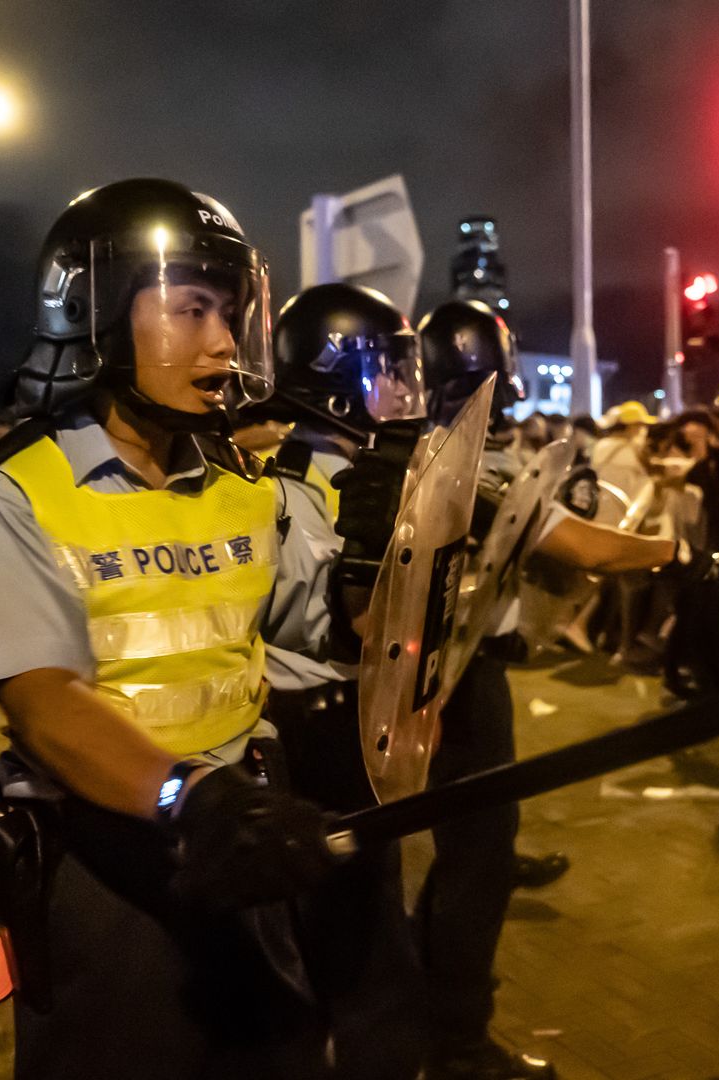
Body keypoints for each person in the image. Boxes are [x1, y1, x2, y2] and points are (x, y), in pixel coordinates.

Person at [0, 178, 340, 1077]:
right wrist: (188, 797)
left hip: (242, 836)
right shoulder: (7, 497)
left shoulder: (251, 483)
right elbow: (45, 705)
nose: (223, 341)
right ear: (95, 314)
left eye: (231, 312)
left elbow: (301, 650)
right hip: (103, 863)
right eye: (192, 307)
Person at [412, 298, 685, 1080]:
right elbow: (583, 546)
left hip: (435, 673)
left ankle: (430, 987)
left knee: (462, 844)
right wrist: (676, 548)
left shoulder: (421, 450)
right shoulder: (467, 463)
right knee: (478, 861)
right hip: (464, 681)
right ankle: (458, 1038)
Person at [259, 282, 430, 1080]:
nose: (401, 388)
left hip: (328, 714)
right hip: (318, 722)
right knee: (360, 942)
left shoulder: (351, 467)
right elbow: (354, 627)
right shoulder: (296, 481)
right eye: (386, 368)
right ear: (337, 374)